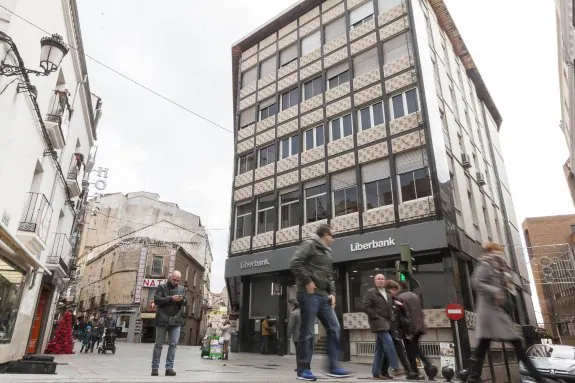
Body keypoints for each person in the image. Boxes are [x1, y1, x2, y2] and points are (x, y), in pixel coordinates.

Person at [467, 243, 546, 383]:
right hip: (488, 313)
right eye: (497, 250)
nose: (500, 253)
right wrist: (495, 291)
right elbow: (475, 282)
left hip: (498, 312)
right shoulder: (485, 265)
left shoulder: (500, 268)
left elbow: (507, 288)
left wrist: (506, 286)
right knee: (510, 344)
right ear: (490, 251)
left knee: (491, 345)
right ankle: (539, 379)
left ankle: (473, 377)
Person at [290, 224, 353, 381]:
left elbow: (329, 275)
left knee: (335, 328)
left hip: (323, 296)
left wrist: (332, 293)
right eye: (332, 235)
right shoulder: (310, 244)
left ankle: (333, 367)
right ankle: (303, 370)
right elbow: (295, 262)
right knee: (308, 331)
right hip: (309, 293)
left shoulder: (327, 252)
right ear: (325, 234)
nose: (334, 238)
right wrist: (307, 281)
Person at [150, 270, 187, 377]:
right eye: (174, 279)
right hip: (162, 318)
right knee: (158, 344)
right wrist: (171, 298)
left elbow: (185, 301)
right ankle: (155, 368)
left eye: (178, 280)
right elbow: (157, 300)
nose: (175, 282)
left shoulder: (181, 289)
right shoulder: (161, 287)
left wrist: (180, 300)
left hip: (176, 320)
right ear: (170, 277)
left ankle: (169, 368)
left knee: (173, 344)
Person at [362, 274, 399, 380]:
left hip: (387, 323)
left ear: (385, 281)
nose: (381, 281)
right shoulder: (370, 292)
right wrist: (376, 316)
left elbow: (390, 309)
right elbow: (365, 306)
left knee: (380, 349)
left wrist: (391, 318)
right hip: (378, 323)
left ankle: (376, 372)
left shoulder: (387, 293)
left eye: (382, 279)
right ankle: (396, 367)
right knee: (389, 343)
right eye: (378, 279)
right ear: (375, 281)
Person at [386, 280, 422, 380]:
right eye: (392, 289)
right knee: (391, 349)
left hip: (396, 329)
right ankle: (404, 370)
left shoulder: (397, 300)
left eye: (395, 289)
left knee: (396, 349)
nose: (394, 291)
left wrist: (401, 306)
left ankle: (407, 371)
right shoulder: (387, 300)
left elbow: (402, 315)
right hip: (387, 328)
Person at [396, 281, 433, 376]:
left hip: (409, 327)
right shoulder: (414, 295)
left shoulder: (400, 298)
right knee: (412, 349)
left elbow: (405, 314)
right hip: (419, 326)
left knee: (412, 349)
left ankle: (426, 365)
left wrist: (407, 329)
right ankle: (415, 371)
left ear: (399, 288)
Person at [287, 301, 301, 371]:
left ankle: (300, 367)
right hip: (306, 336)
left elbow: (290, 326)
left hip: (297, 336)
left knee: (298, 352)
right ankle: (306, 367)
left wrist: (288, 335)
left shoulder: (294, 313)